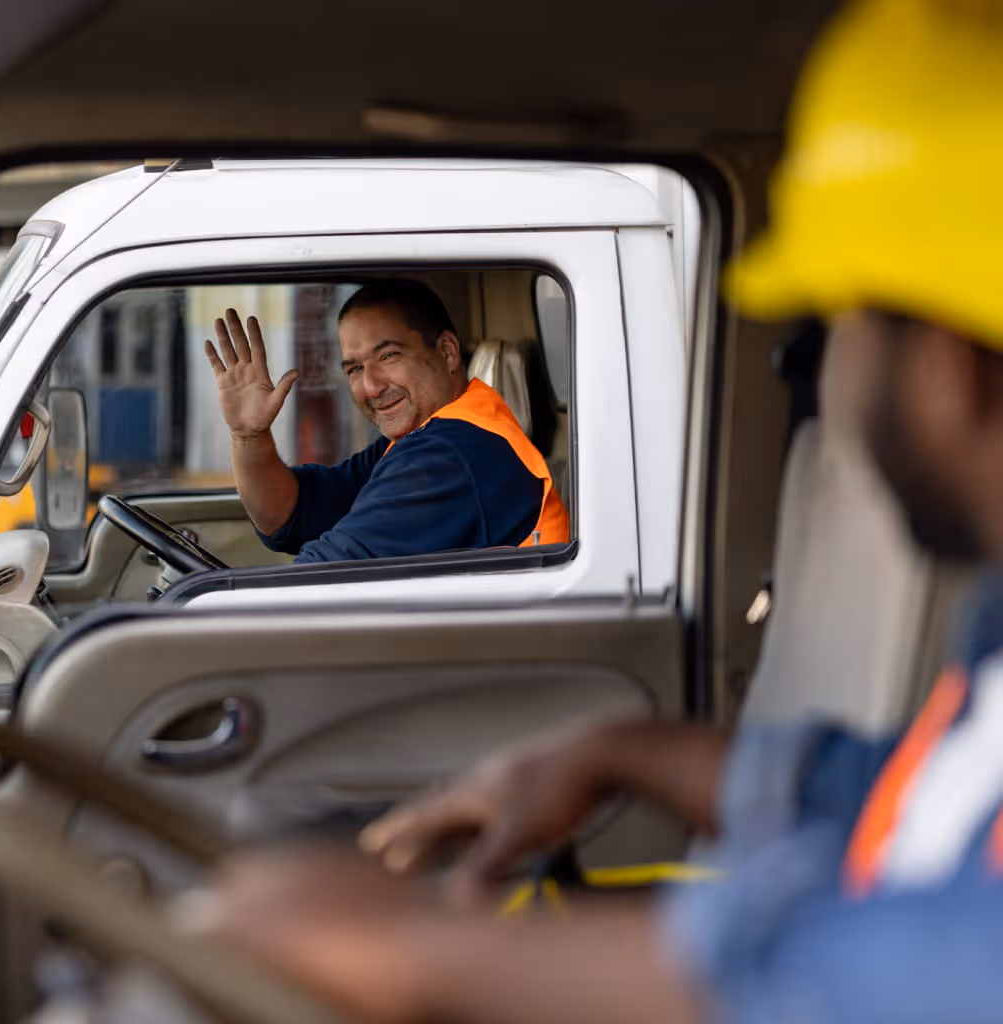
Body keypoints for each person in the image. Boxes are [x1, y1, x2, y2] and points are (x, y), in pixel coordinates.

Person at [199, 1, 1003, 1021]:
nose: (816, 375)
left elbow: (916, 975)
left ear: (949, 369)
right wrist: (614, 752)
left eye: (838, 324)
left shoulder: (457, 451)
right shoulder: (993, 640)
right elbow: (897, 794)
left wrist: (410, 949)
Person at [203, 279, 569, 563]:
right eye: (356, 368)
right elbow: (291, 514)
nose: (372, 386)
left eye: (389, 355)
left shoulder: (453, 453)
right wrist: (248, 436)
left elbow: (324, 577)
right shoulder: (427, 436)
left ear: (447, 352)